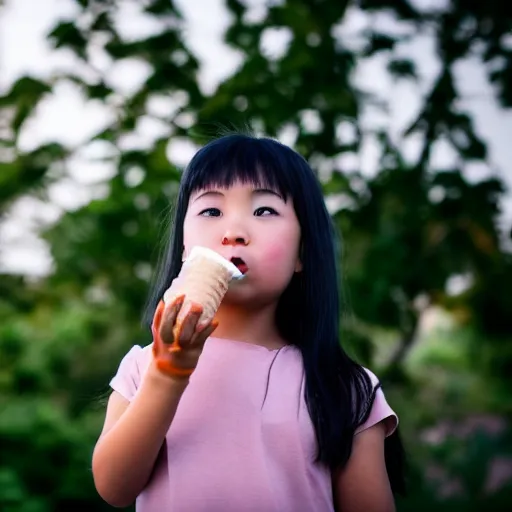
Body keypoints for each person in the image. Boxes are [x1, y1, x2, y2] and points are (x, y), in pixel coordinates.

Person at [92, 133, 406, 511]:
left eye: (264, 211)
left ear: (301, 253)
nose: (234, 232)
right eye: (211, 211)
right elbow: (114, 487)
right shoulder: (143, 368)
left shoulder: (346, 388)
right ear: (184, 248)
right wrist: (167, 374)